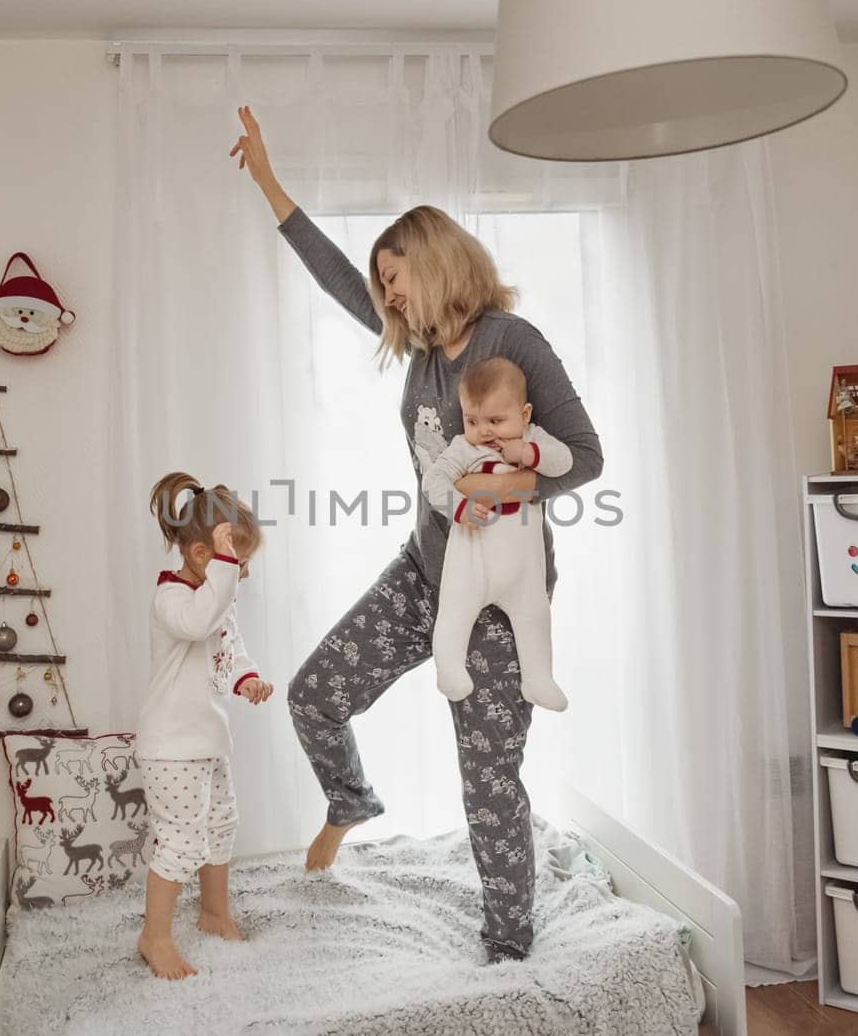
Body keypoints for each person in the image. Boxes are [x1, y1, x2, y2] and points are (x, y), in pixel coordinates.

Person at [230, 106, 603, 961]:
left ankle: (508, 948)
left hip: (504, 600)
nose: (387, 294)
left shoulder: (513, 342)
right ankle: (351, 802)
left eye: (395, 276)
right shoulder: (425, 351)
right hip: (426, 573)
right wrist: (269, 183)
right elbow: (334, 276)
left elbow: (586, 456)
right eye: (383, 283)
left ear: (434, 263)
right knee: (315, 694)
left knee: (488, 780)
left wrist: (501, 482)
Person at [136, 471, 275, 980]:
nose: (242, 576)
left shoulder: (217, 598)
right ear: (203, 557)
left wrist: (247, 679)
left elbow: (227, 646)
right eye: (239, 565)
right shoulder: (171, 599)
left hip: (208, 741)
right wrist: (223, 568)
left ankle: (215, 912)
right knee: (178, 842)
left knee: (220, 826)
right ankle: (155, 936)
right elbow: (199, 623)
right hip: (170, 746)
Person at [422, 355, 572, 711]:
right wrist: (458, 506)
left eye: (495, 420)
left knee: (535, 613)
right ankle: (450, 668)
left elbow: (565, 461)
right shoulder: (464, 448)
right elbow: (433, 481)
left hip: (522, 566)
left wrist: (530, 453)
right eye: (472, 420)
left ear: (524, 414)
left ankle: (538, 678)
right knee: (455, 609)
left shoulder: (534, 438)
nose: (484, 431)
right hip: (473, 560)